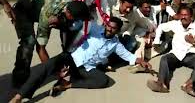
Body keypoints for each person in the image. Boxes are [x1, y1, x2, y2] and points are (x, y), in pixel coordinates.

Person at [9, 17, 152, 103]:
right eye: (108, 25)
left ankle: (68, 84)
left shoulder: (116, 44)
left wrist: (142, 61)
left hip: (86, 68)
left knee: (104, 81)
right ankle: (19, 96)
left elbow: (128, 56)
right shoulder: (95, 28)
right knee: (46, 67)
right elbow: (78, 25)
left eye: (113, 28)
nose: (109, 29)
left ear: (117, 31)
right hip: (71, 59)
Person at [11, 0, 91, 87]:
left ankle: (65, 62)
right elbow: (40, 48)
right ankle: (20, 79)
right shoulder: (48, 15)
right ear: (68, 13)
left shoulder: (74, 5)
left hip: (47, 10)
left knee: (70, 30)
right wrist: (55, 73)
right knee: (29, 42)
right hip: (23, 11)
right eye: (75, 19)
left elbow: (78, 23)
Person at [147, 6, 195, 97]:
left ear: (191, 17)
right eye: (182, 15)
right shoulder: (174, 24)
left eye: (186, 15)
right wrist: (156, 41)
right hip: (176, 54)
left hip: (190, 55)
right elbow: (160, 27)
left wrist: (194, 42)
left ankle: (190, 84)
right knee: (164, 59)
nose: (183, 17)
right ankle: (161, 84)